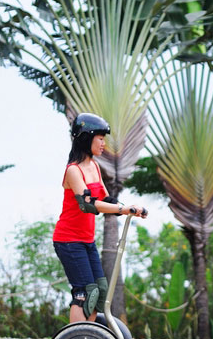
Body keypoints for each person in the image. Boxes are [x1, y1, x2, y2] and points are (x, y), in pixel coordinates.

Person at [53, 113, 147, 324]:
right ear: (87, 138)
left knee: (100, 290)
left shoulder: (94, 167)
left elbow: (105, 198)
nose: (104, 143)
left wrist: (129, 208)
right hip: (68, 240)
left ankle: (89, 337)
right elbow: (87, 204)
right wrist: (123, 210)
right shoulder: (73, 171)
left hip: (86, 240)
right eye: (100, 138)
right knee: (86, 291)